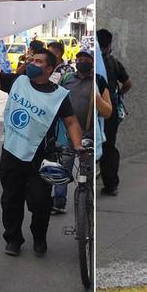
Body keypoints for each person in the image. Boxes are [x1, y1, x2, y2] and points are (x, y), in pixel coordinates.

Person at [0, 44, 85, 256]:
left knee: (40, 202)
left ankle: (39, 238)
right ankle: (13, 239)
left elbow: (71, 122)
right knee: (11, 199)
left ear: (50, 69)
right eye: (31, 60)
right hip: (12, 153)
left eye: (38, 62)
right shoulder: (17, 82)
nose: (31, 64)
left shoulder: (59, 95)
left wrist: (78, 145)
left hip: (41, 158)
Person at [52, 45, 109, 214]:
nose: (82, 61)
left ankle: (88, 203)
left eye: (87, 58)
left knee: (88, 172)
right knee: (63, 168)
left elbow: (107, 112)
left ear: (93, 61)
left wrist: (97, 99)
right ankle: (59, 202)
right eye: (79, 58)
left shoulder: (98, 81)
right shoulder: (67, 78)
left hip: (90, 135)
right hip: (67, 134)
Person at [97, 29, 131, 196]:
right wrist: (119, 94)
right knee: (108, 146)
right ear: (109, 45)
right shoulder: (113, 62)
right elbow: (128, 83)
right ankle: (111, 184)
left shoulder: (94, 61)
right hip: (109, 111)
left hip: (94, 110)